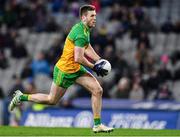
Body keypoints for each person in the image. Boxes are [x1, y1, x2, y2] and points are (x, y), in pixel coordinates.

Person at [9, 5, 113, 133]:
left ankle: (97, 125)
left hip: (76, 69)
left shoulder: (84, 29)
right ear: (83, 17)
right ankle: (21, 97)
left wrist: (99, 60)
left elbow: (87, 47)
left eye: (95, 16)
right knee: (51, 100)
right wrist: (95, 67)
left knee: (97, 90)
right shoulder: (80, 33)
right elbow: (78, 58)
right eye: (92, 16)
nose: (95, 18)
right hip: (65, 70)